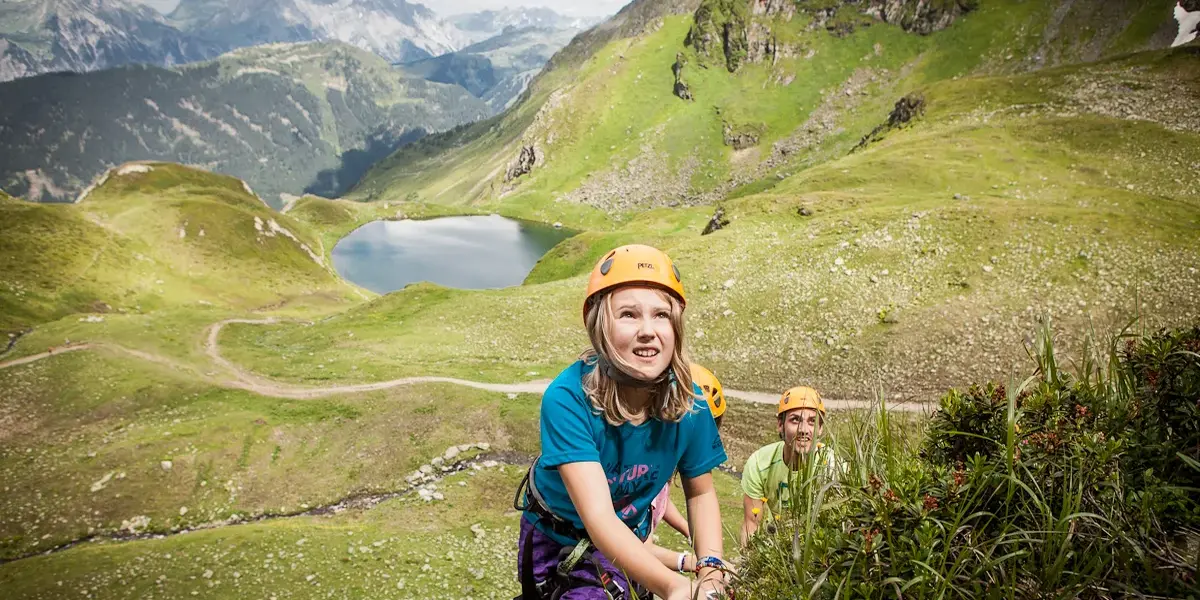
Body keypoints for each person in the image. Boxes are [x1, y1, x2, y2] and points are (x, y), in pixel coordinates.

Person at [515, 245, 729, 600]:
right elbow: (598, 518)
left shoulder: (690, 403)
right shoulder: (567, 399)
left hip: (628, 536)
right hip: (559, 542)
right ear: (600, 326)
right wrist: (674, 585)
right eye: (628, 314)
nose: (648, 330)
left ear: (676, 327)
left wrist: (711, 570)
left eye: (661, 315)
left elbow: (701, 492)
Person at [644, 363, 729, 574]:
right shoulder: (641, 471)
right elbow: (639, 548)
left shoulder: (659, 471)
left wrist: (687, 528)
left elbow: (660, 500)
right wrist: (688, 561)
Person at [739, 386, 840, 547]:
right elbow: (751, 524)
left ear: (820, 429)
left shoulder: (831, 467)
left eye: (812, 422)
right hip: (776, 544)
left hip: (818, 546)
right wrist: (749, 559)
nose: (804, 430)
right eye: (795, 420)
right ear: (780, 424)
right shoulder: (759, 463)